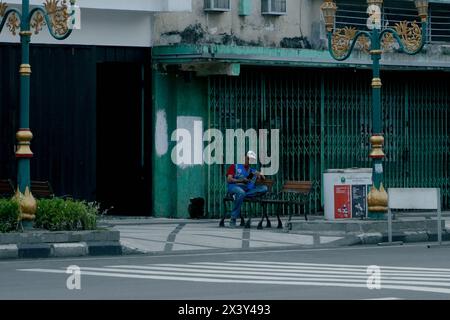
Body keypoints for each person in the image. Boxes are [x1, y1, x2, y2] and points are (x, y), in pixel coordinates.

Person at [226, 151, 268, 227]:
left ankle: (240, 196)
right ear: (244, 157)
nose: (249, 161)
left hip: (246, 190)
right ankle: (233, 218)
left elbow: (260, 178)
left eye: (251, 160)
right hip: (234, 187)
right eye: (248, 158)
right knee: (241, 192)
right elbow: (229, 180)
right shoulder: (234, 166)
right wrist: (241, 180)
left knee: (264, 188)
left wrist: (261, 175)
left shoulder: (252, 171)